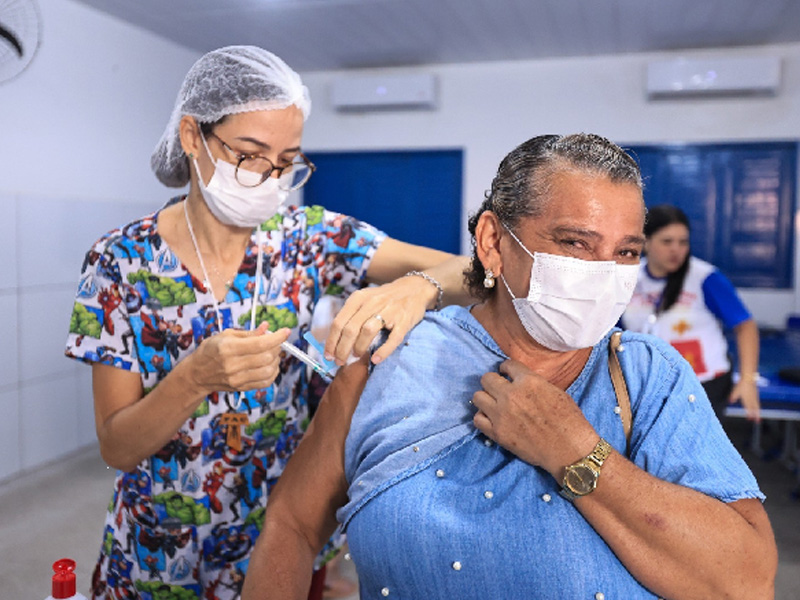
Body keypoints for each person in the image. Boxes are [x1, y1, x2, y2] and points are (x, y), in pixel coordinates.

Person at [242, 133, 777, 600]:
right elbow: (291, 525)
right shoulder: (387, 365)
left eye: (625, 253)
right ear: (494, 244)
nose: (603, 275)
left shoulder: (647, 377)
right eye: (575, 243)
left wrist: (574, 451)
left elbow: (745, 583)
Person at [64, 45, 470, 600]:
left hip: (284, 540)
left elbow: (473, 273)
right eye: (251, 154)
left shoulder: (307, 238)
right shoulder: (120, 262)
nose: (271, 178)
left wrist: (415, 288)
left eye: (287, 161)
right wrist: (195, 377)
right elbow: (116, 446)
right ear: (192, 137)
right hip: (161, 551)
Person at [621, 204, 761, 423]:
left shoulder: (705, 278)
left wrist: (747, 379)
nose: (676, 249)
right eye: (667, 241)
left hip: (703, 385)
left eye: (683, 242)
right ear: (645, 242)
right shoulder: (629, 278)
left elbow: (745, 325)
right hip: (651, 385)